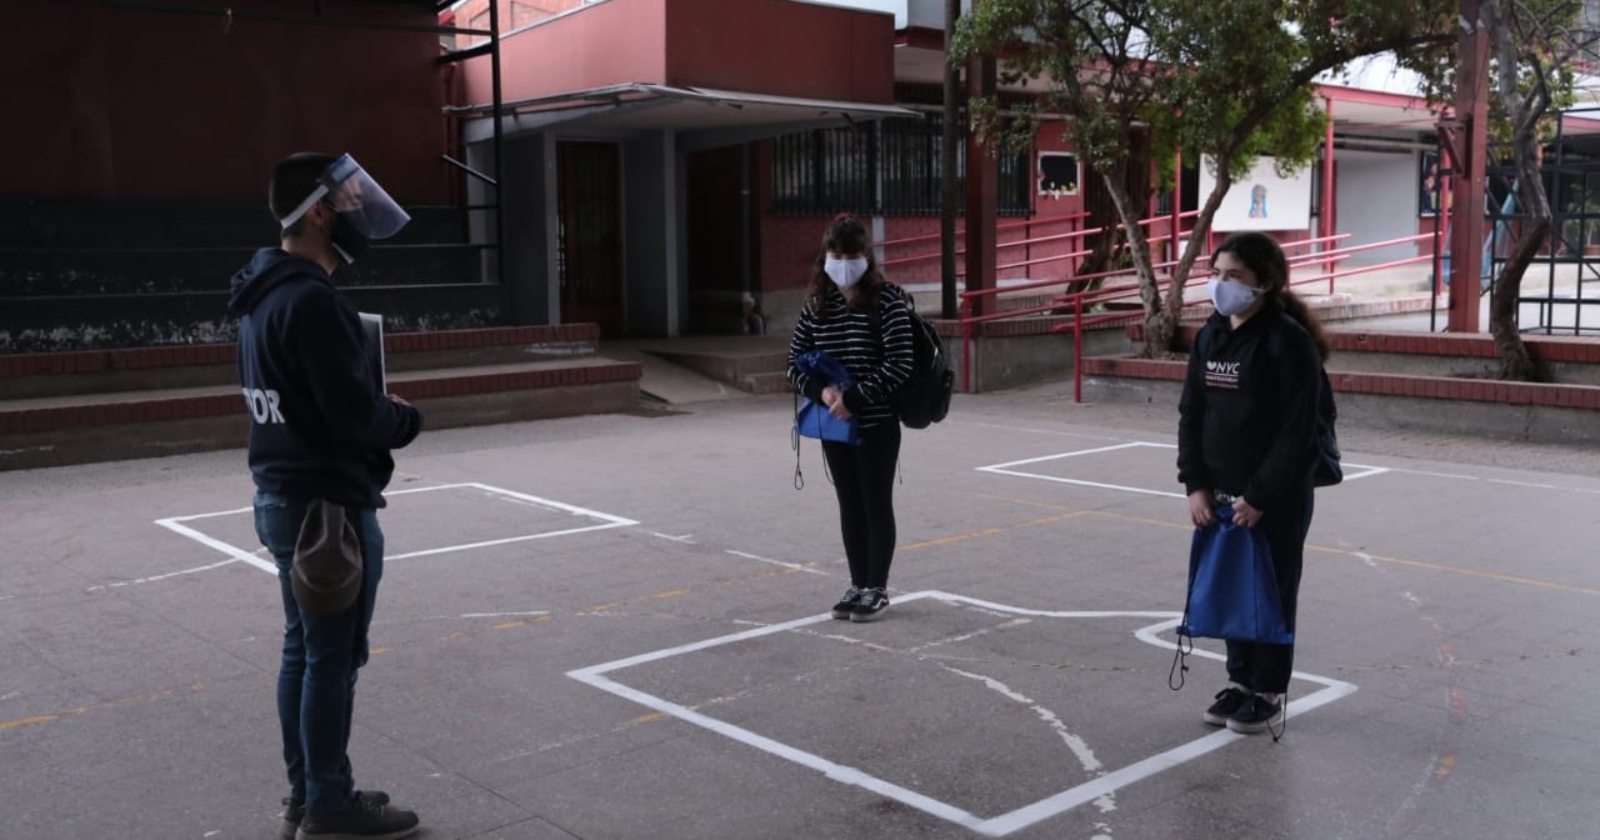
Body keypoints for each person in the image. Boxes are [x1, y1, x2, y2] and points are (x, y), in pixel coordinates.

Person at [230, 152, 424, 840]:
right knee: (332, 660)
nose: (357, 211)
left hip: (285, 497)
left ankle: (308, 793)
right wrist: (404, 418)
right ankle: (329, 806)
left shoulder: (262, 295)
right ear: (317, 212)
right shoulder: (311, 302)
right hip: (327, 511)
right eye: (347, 201)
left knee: (305, 652)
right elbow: (354, 418)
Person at [1176, 231, 1328, 735]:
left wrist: (1260, 496)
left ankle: (1268, 689)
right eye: (1217, 273)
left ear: (1265, 282)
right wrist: (1195, 484)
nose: (1222, 284)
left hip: (1274, 497)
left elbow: (1299, 433)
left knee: (1271, 590)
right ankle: (1240, 681)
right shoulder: (1210, 336)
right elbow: (1191, 414)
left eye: (1235, 275)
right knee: (1233, 585)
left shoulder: (1288, 342)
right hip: (1220, 492)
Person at [787, 215, 915, 622]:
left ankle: (876, 587)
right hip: (835, 426)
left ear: (867, 256)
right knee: (849, 504)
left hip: (876, 422)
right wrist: (821, 393)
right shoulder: (816, 306)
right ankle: (858, 583)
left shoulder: (888, 300)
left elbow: (900, 362)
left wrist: (855, 399)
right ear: (825, 257)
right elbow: (793, 363)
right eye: (837, 255)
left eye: (852, 255)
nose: (844, 263)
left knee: (875, 503)